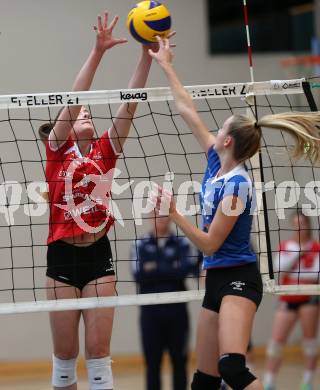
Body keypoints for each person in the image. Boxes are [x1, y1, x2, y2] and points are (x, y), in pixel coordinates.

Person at [147, 36, 320, 390]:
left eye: (222, 126)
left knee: (232, 369)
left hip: (238, 277)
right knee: (204, 381)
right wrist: (166, 65)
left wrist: (174, 214)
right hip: (215, 280)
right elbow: (187, 109)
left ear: (227, 140)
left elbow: (211, 244)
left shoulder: (237, 185)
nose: (216, 129)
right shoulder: (216, 163)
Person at [39, 13, 175, 390]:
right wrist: (97, 51)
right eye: (79, 113)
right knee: (65, 360)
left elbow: (130, 103)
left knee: (99, 355)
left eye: (88, 113)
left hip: (100, 257)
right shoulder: (57, 149)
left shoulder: (105, 150)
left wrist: (147, 54)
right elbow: (75, 97)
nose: (85, 113)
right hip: (62, 259)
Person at [130, 212, 199, 390]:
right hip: (150, 313)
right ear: (149, 217)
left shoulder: (182, 242)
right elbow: (139, 275)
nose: (160, 219)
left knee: (180, 360)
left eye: (164, 215)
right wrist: (171, 266)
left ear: (170, 217)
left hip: (177, 312)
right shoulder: (139, 244)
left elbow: (187, 269)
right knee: (152, 363)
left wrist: (154, 267)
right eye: (156, 215)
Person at [263, 211, 320, 390]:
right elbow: (280, 268)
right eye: (296, 223)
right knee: (275, 343)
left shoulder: (316, 247)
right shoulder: (286, 245)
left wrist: (295, 274)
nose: (299, 227)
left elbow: (315, 275)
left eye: (302, 223)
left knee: (309, 344)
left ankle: (307, 383)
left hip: (309, 299)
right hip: (287, 298)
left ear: (308, 225)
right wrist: (299, 254)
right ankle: (269, 383)